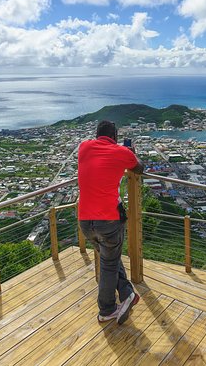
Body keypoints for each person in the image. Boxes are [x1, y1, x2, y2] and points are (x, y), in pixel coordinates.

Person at [77, 120, 144, 324]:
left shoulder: (84, 147)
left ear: (97, 134)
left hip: (85, 222)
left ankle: (126, 293)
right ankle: (106, 310)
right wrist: (131, 151)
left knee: (110, 257)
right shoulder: (122, 153)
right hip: (108, 220)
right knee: (109, 263)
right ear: (115, 136)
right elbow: (139, 168)